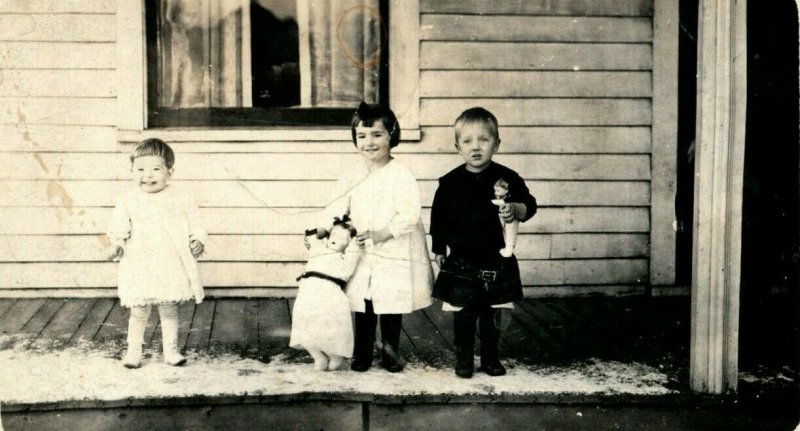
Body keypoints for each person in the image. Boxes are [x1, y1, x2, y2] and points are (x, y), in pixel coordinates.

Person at [316, 102, 433, 373]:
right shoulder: (352, 174)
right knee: (363, 301)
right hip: (362, 251)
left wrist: (382, 233)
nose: (369, 143)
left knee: (390, 302)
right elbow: (336, 204)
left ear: (392, 135)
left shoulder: (400, 175)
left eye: (377, 135)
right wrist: (326, 226)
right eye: (362, 136)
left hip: (394, 249)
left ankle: (390, 351)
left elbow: (409, 214)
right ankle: (363, 352)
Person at [430, 107, 537, 378]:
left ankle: (491, 357)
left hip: (496, 258)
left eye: (484, 140)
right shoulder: (450, 182)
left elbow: (530, 205)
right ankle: (464, 357)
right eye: (467, 141)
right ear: (457, 147)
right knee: (464, 313)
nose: (475, 147)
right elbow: (439, 217)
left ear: (497, 143)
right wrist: (439, 247)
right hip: (463, 259)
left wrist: (516, 208)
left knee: (493, 313)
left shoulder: (507, 178)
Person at [107, 138, 206, 368]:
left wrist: (197, 239)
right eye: (140, 169)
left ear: (169, 172)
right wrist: (118, 244)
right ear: (132, 170)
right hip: (140, 263)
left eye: (155, 169)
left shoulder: (180, 197)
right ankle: (133, 352)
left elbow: (196, 222)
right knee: (139, 310)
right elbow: (119, 226)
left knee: (169, 309)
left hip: (168, 263)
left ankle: (171, 351)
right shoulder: (128, 199)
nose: (148, 175)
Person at [290, 219, 360, 371]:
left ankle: (336, 356)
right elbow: (309, 237)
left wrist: (353, 241)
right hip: (308, 295)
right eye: (333, 235)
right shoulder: (318, 249)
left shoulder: (345, 259)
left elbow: (355, 250)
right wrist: (323, 230)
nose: (335, 239)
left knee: (330, 328)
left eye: (343, 238)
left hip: (330, 297)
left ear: (348, 244)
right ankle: (318, 357)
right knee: (305, 328)